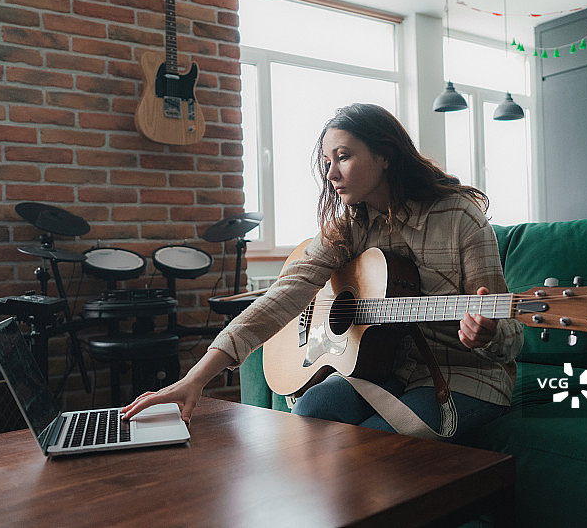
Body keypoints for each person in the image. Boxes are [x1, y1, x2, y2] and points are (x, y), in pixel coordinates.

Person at [123, 103, 523, 444]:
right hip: (383, 372)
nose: (331, 174)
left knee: (371, 445)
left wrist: (486, 333)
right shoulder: (349, 225)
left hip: (461, 376)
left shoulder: (459, 217)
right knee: (309, 418)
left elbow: (510, 335)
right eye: (327, 162)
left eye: (344, 157)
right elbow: (285, 294)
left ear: (385, 155)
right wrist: (195, 378)